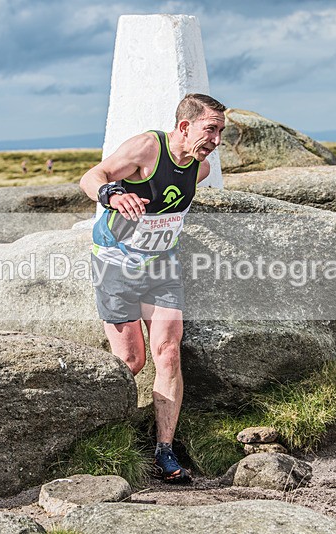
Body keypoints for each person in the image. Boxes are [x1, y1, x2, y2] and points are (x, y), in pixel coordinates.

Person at [79, 93, 226, 484]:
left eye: (220, 131)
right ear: (184, 126)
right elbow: (91, 177)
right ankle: (109, 436)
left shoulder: (201, 169)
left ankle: (164, 449)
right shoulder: (147, 147)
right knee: (131, 362)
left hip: (162, 268)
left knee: (168, 351)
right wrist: (111, 194)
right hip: (116, 266)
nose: (215, 139)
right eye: (210, 129)